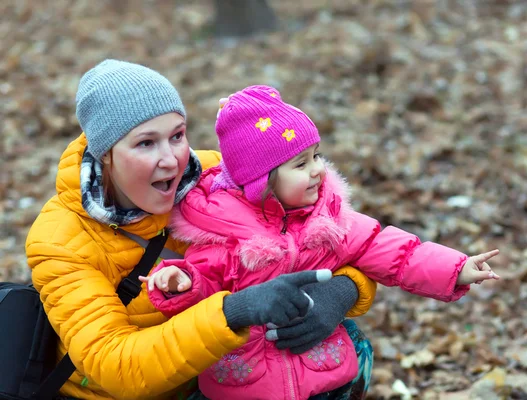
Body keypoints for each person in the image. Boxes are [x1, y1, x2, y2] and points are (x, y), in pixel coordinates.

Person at [25, 61, 378, 400]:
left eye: (177, 135)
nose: (171, 159)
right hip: (125, 394)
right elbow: (116, 365)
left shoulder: (215, 179)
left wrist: (341, 291)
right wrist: (234, 310)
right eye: (146, 143)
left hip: (217, 377)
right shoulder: (59, 239)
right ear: (105, 154)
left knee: (345, 343)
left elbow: (344, 237)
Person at [143, 85, 501, 400]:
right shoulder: (225, 237)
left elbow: (395, 251)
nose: (318, 169)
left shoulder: (326, 221)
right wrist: (180, 283)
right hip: (247, 385)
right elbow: (207, 294)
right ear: (259, 181)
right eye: (300, 164)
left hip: (324, 376)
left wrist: (456, 269)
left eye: (316, 156)